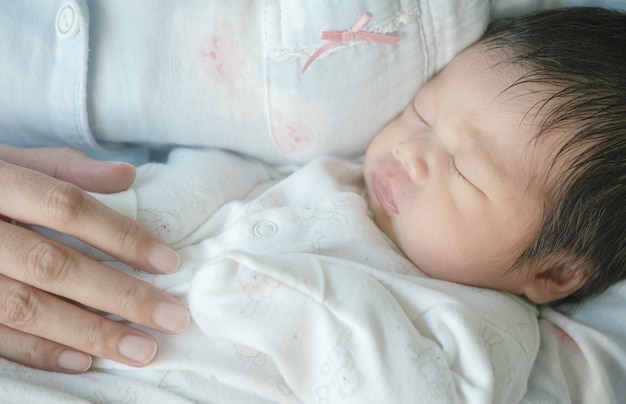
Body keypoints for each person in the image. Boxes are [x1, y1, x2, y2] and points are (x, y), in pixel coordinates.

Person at [3, 7, 623, 402]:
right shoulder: (338, 176)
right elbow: (221, 185)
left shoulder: (485, 332)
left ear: (553, 273)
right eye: (423, 110)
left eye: (463, 169)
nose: (411, 150)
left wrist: (274, 298)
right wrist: (117, 212)